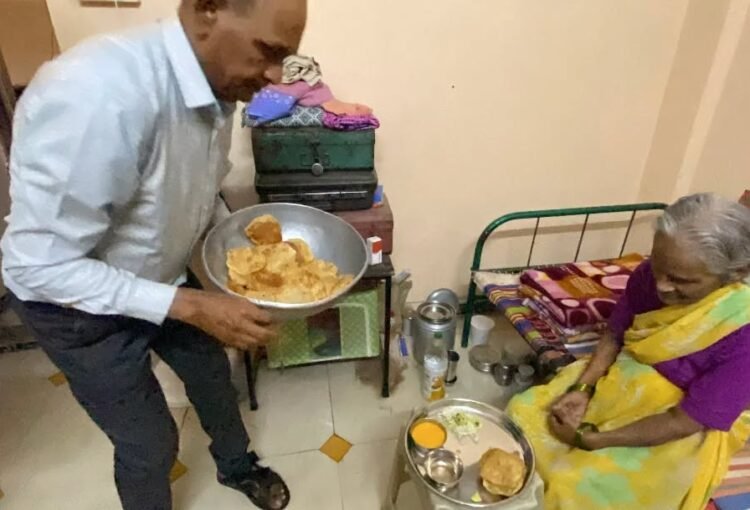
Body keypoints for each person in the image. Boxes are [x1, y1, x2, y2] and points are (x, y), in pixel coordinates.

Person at [0, 0, 306, 508]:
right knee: (149, 442)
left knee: (212, 372)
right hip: (70, 309)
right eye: (268, 51)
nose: (275, 76)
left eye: (286, 58)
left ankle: (237, 466)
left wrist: (240, 263)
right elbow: (38, 266)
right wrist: (191, 305)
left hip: (157, 275)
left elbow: (192, 189)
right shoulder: (98, 96)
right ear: (208, 11)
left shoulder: (220, 86)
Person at [507, 193, 750, 510]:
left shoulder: (741, 332)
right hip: (619, 380)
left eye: (680, 280)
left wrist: (593, 440)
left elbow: (686, 421)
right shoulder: (648, 275)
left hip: (674, 425)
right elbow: (614, 334)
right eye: (659, 267)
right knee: (521, 417)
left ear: (735, 273)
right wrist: (583, 388)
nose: (662, 286)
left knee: (578, 489)